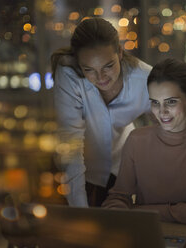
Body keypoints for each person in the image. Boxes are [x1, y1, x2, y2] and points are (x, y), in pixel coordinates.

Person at [102, 58, 186, 224]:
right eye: (155, 103)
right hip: (146, 234)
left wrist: (137, 211)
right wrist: (118, 211)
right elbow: (118, 198)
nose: (162, 112)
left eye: (171, 102)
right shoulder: (137, 140)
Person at [52, 18, 152, 207]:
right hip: (77, 174)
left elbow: (170, 128)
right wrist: (81, 211)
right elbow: (71, 146)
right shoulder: (68, 75)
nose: (100, 78)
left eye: (108, 66)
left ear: (120, 52)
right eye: (89, 69)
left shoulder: (144, 79)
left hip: (122, 171)